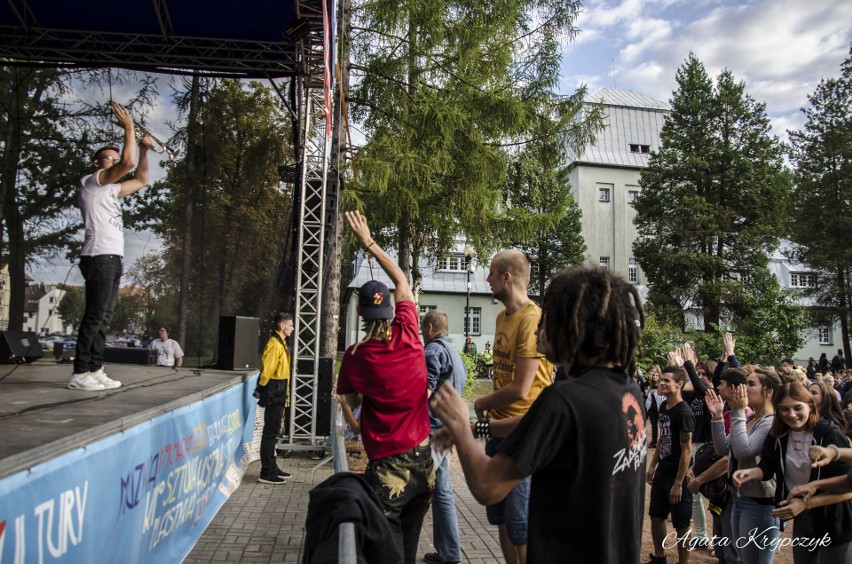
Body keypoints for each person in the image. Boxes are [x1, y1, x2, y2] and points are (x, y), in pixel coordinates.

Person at [430, 265, 646, 563]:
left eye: (548, 320)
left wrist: (457, 422)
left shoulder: (564, 400)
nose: (537, 329)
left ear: (573, 326)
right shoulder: (627, 390)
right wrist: (477, 429)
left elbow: (487, 486)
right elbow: (536, 426)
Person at [336, 211, 433, 564]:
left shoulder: (357, 357)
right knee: (409, 547)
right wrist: (370, 243)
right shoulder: (409, 332)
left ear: (362, 315)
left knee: (384, 553)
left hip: (389, 470)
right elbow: (401, 279)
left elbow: (350, 397)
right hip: (425, 466)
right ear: (392, 311)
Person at [470, 249, 555, 564]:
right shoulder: (501, 316)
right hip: (498, 435)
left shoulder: (532, 318)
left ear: (507, 277)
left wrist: (481, 403)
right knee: (502, 518)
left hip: (524, 434)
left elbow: (521, 390)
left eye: (492, 272)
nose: (487, 278)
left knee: (521, 524)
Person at [70, 102, 152, 391]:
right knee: (94, 316)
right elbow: (126, 166)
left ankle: (95, 367)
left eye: (116, 157)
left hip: (112, 258)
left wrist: (143, 150)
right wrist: (129, 128)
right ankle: (80, 372)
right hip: (98, 256)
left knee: (104, 317)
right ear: (97, 163)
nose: (115, 161)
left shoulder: (112, 190)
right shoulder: (91, 183)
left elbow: (140, 178)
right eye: (109, 158)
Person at [733, 382, 852, 563]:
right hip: (801, 513)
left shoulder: (829, 433)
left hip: (834, 516)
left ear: (810, 406)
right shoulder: (777, 434)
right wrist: (750, 473)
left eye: (798, 408)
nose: (792, 414)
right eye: (784, 409)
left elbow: (848, 488)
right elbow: (767, 468)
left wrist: (807, 502)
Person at [707, 367, 782, 564]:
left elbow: (743, 452)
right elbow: (723, 448)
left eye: (751, 384)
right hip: (740, 498)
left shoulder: (770, 422)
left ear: (769, 391)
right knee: (740, 559)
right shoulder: (751, 419)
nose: (744, 388)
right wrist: (716, 416)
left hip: (760, 505)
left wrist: (738, 411)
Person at [421, 310, 467, 564]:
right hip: (445, 429)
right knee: (442, 491)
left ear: (429, 327)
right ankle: (449, 552)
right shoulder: (455, 353)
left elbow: (424, 391)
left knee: (413, 487)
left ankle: (393, 547)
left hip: (431, 432)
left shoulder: (432, 351)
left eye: (421, 328)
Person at [647, 365, 694, 564]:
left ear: (679, 384)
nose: (662, 383)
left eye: (667, 380)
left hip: (678, 474)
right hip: (663, 470)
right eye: (661, 380)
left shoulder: (683, 412)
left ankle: (683, 562)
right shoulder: (664, 406)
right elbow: (662, 439)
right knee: (656, 516)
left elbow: (686, 450)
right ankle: (660, 558)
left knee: (681, 523)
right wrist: (652, 465)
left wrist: (678, 483)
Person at [253, 313, 294, 485]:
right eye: (290, 325)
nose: (292, 328)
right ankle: (266, 471)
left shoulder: (281, 343)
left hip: (280, 392)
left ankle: (272, 466)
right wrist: (260, 388)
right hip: (274, 392)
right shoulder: (274, 344)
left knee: (274, 431)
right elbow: (268, 370)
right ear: (282, 326)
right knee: (270, 432)